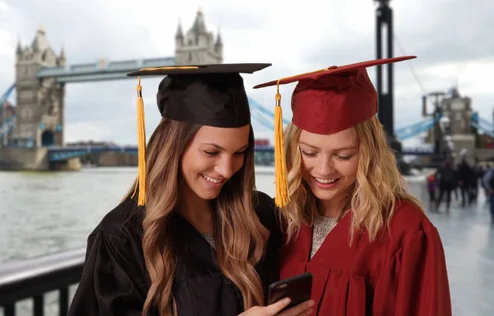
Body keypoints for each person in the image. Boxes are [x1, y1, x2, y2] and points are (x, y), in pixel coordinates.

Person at [68, 64, 314, 316]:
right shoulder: (122, 238)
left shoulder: (260, 214)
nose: (227, 169)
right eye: (211, 152)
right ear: (174, 146)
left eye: (239, 153)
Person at [253, 56, 452, 315]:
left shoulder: (405, 232)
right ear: (291, 150)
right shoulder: (284, 220)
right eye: (309, 153)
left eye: (343, 155)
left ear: (369, 153)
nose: (323, 170)